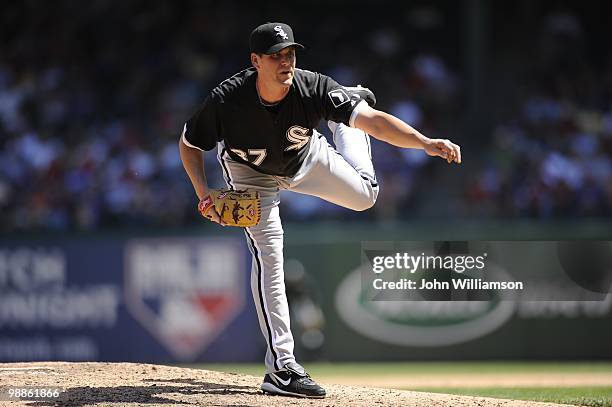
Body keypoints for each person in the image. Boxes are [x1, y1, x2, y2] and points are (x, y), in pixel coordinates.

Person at [179, 22, 461, 399]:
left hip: (306, 158)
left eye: (290, 53)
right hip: (251, 176)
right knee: (270, 257)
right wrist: (204, 194)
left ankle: (347, 109)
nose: (285, 61)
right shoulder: (227, 99)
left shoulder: (313, 86)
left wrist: (424, 142)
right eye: (276, 55)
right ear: (255, 61)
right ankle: (281, 367)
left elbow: (377, 123)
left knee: (366, 196)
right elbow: (189, 144)